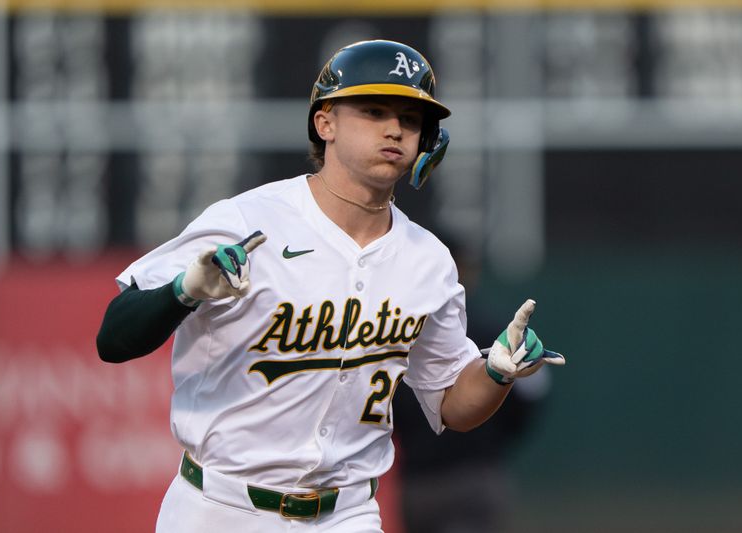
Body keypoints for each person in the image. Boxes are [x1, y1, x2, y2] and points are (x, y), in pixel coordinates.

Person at [96, 39, 565, 533]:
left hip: (347, 513)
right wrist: (185, 290)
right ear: (326, 123)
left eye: (411, 119)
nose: (394, 128)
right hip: (222, 508)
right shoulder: (248, 221)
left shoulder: (428, 261)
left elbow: (451, 404)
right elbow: (113, 338)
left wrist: (496, 373)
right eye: (374, 110)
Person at [393, 234, 553, 533]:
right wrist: (493, 441)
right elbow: (532, 395)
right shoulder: (497, 329)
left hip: (420, 478)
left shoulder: (397, 326)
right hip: (471, 476)